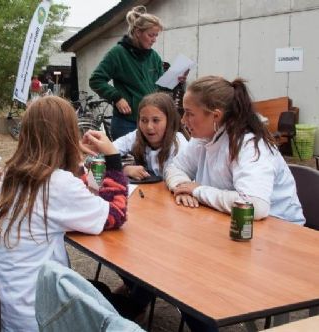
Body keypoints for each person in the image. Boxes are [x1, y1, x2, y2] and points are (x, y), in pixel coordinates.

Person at [0, 95, 129, 331]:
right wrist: (112, 157)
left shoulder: (12, 173)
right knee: (105, 297)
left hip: (7, 307)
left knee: (101, 292)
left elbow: (63, 193)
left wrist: (77, 160)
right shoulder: (56, 184)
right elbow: (116, 214)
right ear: (69, 136)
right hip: (36, 316)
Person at [165, 75, 304, 225]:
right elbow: (175, 168)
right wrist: (183, 187)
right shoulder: (203, 137)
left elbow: (254, 206)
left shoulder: (250, 145)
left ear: (216, 116)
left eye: (190, 113)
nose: (183, 120)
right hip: (230, 222)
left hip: (279, 229)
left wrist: (198, 191)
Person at [89, 5, 187, 140]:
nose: (154, 39)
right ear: (137, 32)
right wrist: (117, 98)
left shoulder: (154, 56)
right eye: (150, 35)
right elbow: (96, 80)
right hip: (126, 123)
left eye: (156, 35)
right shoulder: (117, 53)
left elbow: (159, 85)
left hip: (150, 122)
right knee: (128, 161)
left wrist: (175, 80)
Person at [113, 92, 188, 180]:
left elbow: (179, 181)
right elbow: (107, 151)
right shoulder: (136, 136)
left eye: (156, 120)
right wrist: (125, 169)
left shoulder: (179, 145)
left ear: (169, 121)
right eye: (144, 120)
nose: (149, 127)